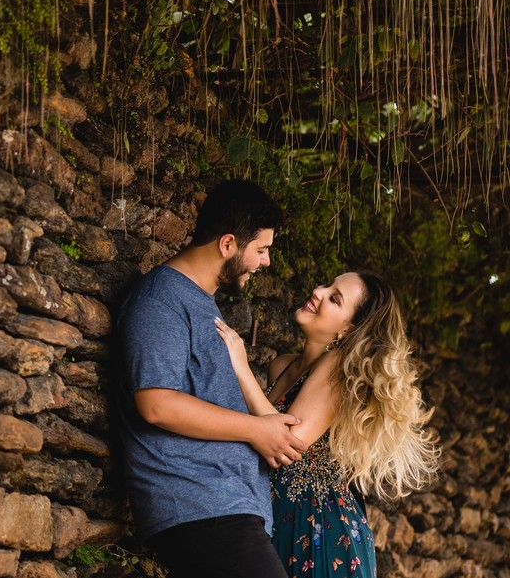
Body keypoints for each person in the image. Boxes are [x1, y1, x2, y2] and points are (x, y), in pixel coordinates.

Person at [117, 179, 305, 578]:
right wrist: (255, 430)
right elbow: (156, 403)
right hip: (199, 505)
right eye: (261, 250)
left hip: (226, 508)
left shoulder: (204, 304)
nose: (266, 262)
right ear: (228, 244)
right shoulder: (161, 299)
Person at [215, 271, 439, 578]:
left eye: (334, 298)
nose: (318, 292)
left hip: (321, 530)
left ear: (348, 328)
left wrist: (240, 366)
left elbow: (288, 442)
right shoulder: (281, 365)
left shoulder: (339, 368)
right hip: (275, 517)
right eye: (326, 285)